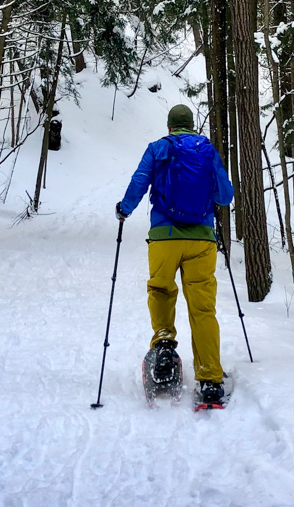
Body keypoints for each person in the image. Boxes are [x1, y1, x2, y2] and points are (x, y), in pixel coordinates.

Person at [116, 103, 234, 407]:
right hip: (202, 241)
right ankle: (209, 380)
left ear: (169, 126)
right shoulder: (207, 150)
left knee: (161, 289)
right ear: (192, 125)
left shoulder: (158, 148)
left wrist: (124, 209)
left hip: (164, 238)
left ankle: (165, 345)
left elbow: (140, 180)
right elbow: (225, 195)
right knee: (202, 309)